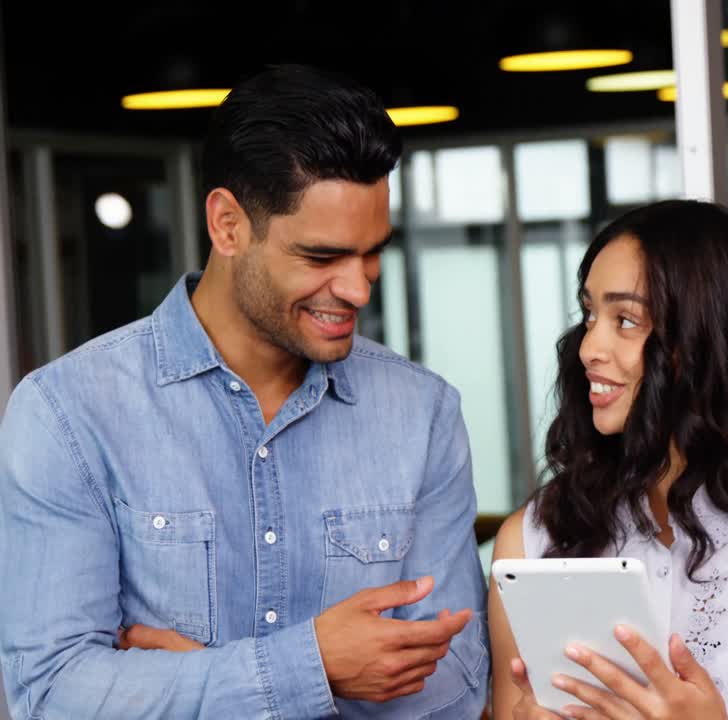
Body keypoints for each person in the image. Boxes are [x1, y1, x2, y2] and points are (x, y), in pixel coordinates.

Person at [0, 64, 489, 718]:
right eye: (321, 257)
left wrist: (195, 683)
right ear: (228, 224)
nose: (359, 288)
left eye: (372, 252)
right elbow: (55, 695)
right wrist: (315, 667)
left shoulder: (423, 414)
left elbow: (452, 691)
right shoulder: (68, 415)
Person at [487, 199, 728, 720]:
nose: (589, 347)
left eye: (625, 320)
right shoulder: (531, 538)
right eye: (590, 314)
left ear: (705, 339)